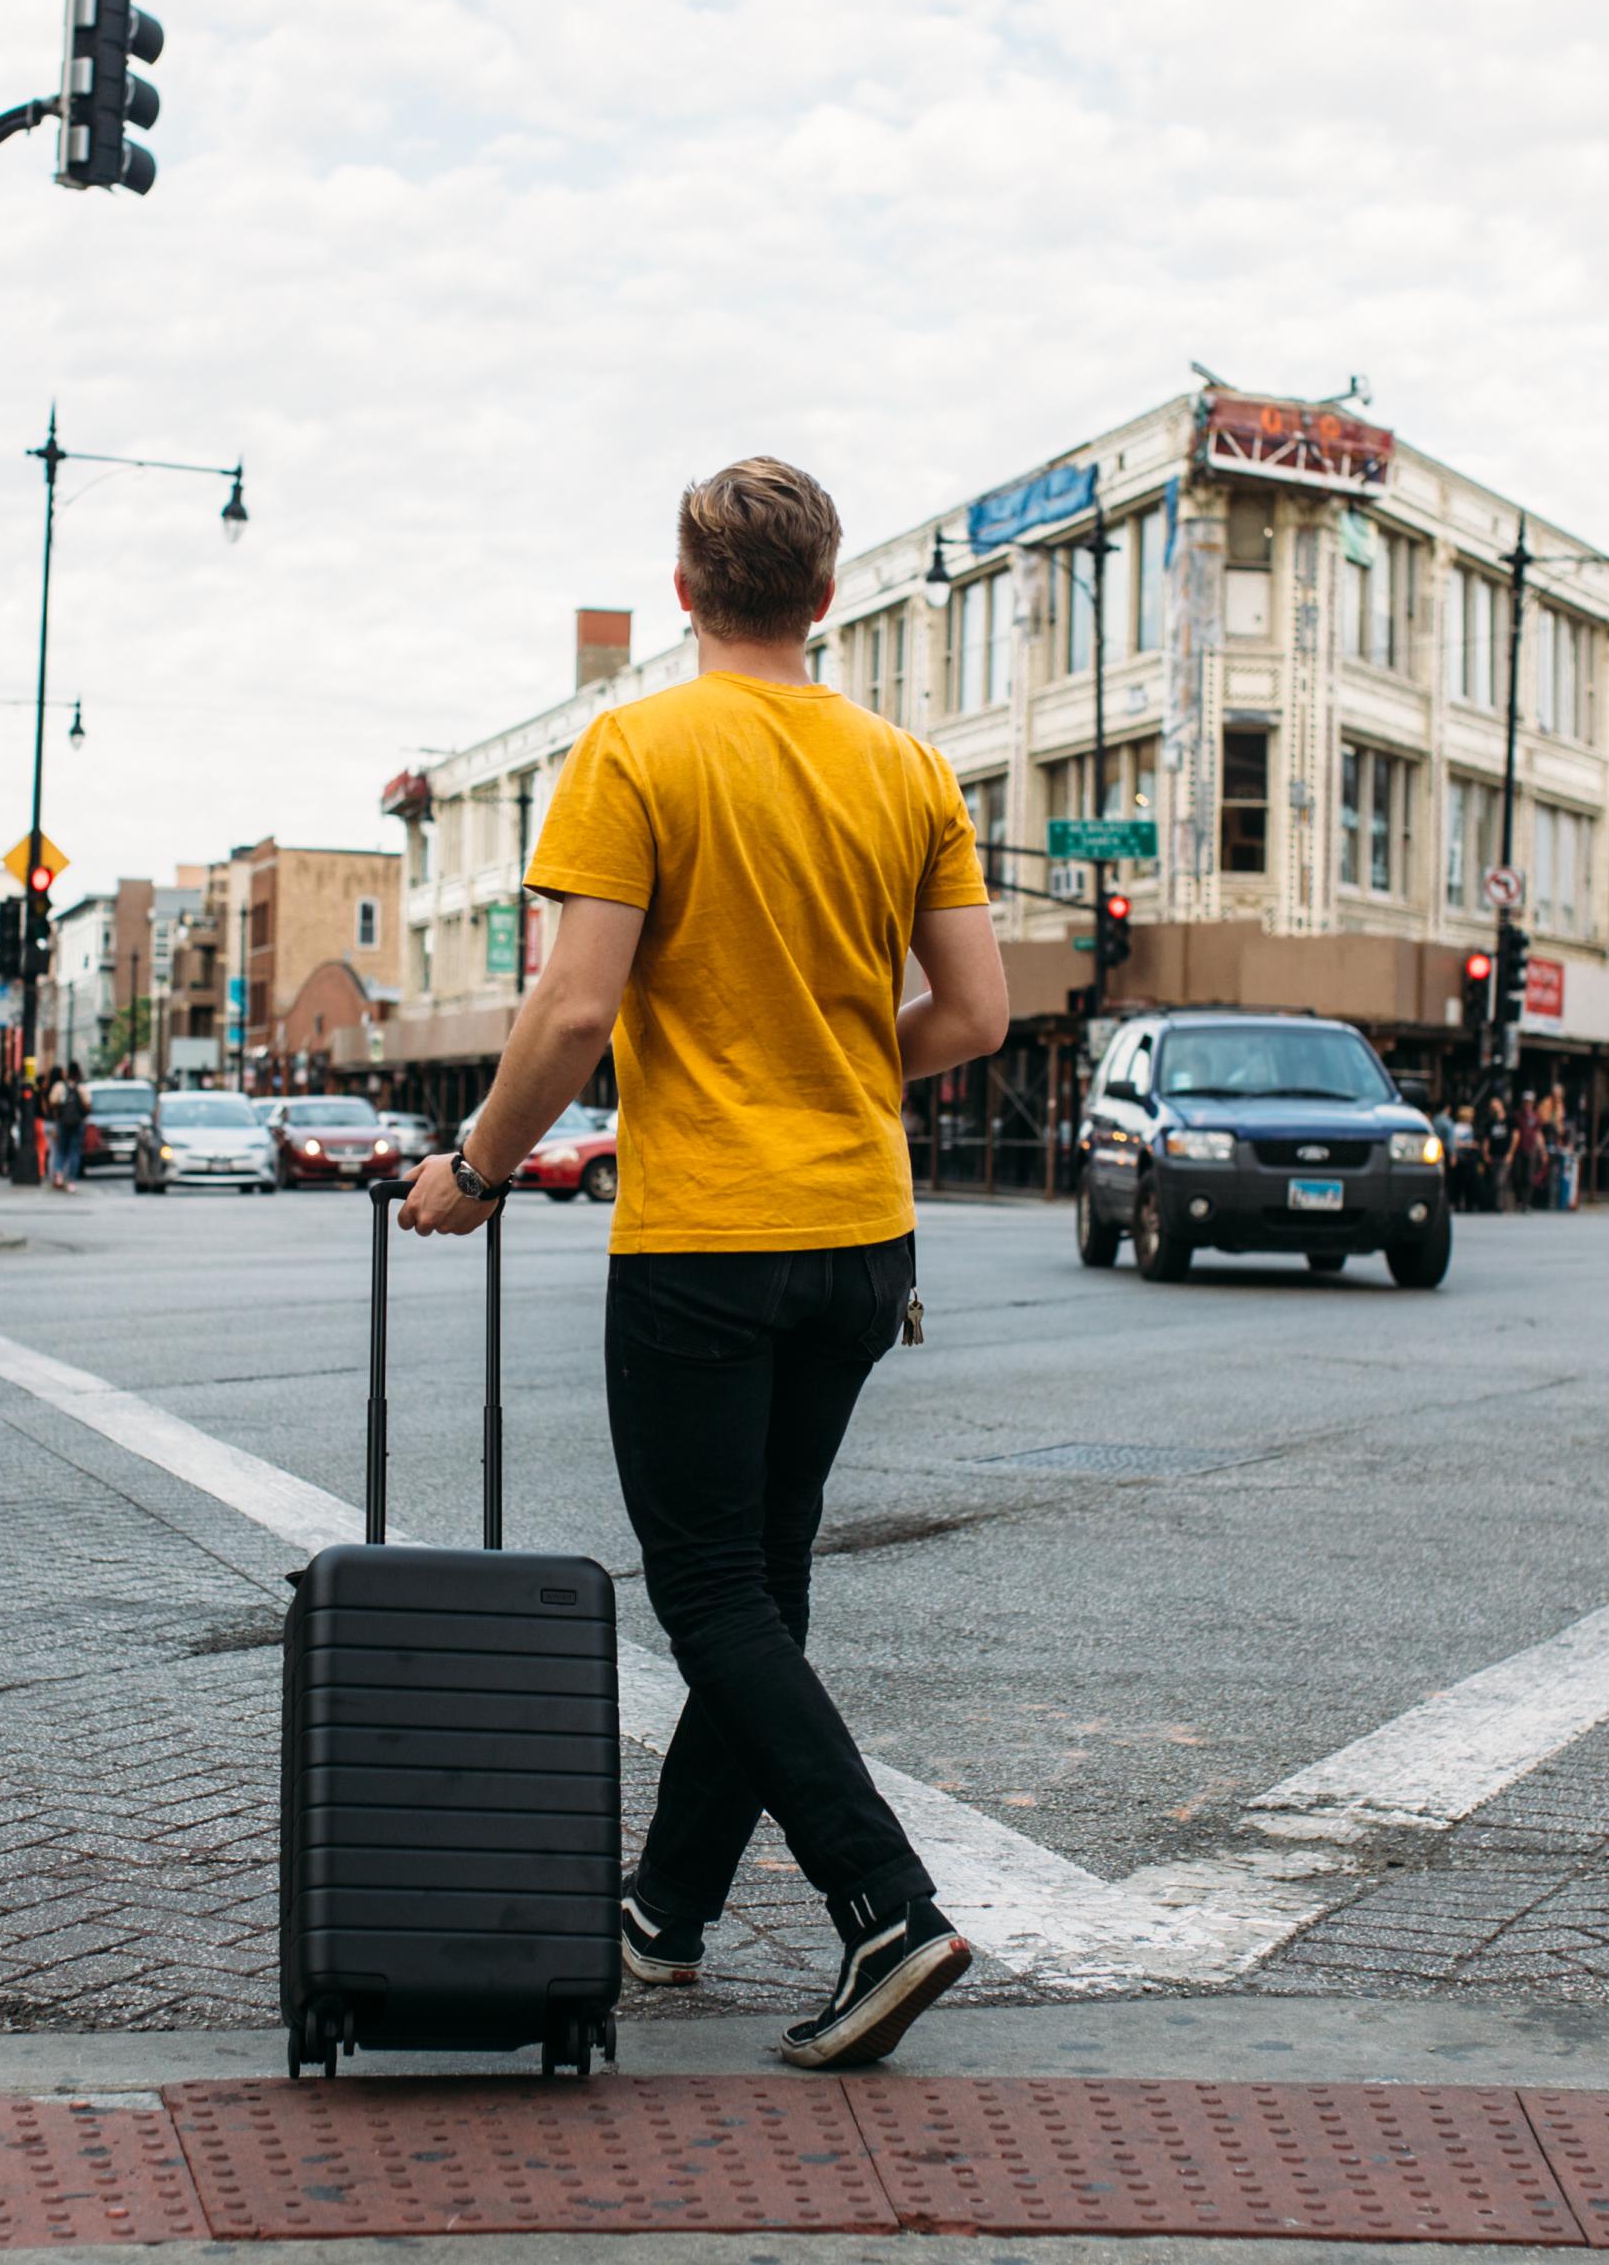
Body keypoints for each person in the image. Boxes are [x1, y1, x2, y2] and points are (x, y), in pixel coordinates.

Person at [399, 454, 1008, 2072]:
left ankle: (885, 1906)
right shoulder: (907, 772)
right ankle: (664, 1913)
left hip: (707, 1244)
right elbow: (977, 1016)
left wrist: (476, 1168)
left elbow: (576, 1006)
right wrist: (838, 1078)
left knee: (713, 1593)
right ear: (825, 599)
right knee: (766, 1581)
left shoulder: (635, 748)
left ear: (682, 592)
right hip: (861, 1244)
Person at [49, 1064, 90, 1190]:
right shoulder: (82, 1088)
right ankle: (72, 1181)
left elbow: (52, 1101)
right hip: (77, 1124)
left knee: (61, 1150)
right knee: (74, 1152)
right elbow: (88, 1104)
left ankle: (59, 1174)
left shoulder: (60, 1086)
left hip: (63, 1122)